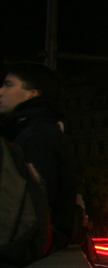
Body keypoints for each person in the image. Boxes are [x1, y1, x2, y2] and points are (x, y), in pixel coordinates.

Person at [0, 62, 77, 249]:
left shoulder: (36, 135)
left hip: (30, 247)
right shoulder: (38, 129)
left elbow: (31, 203)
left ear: (32, 94)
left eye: (9, 84)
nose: (1, 91)